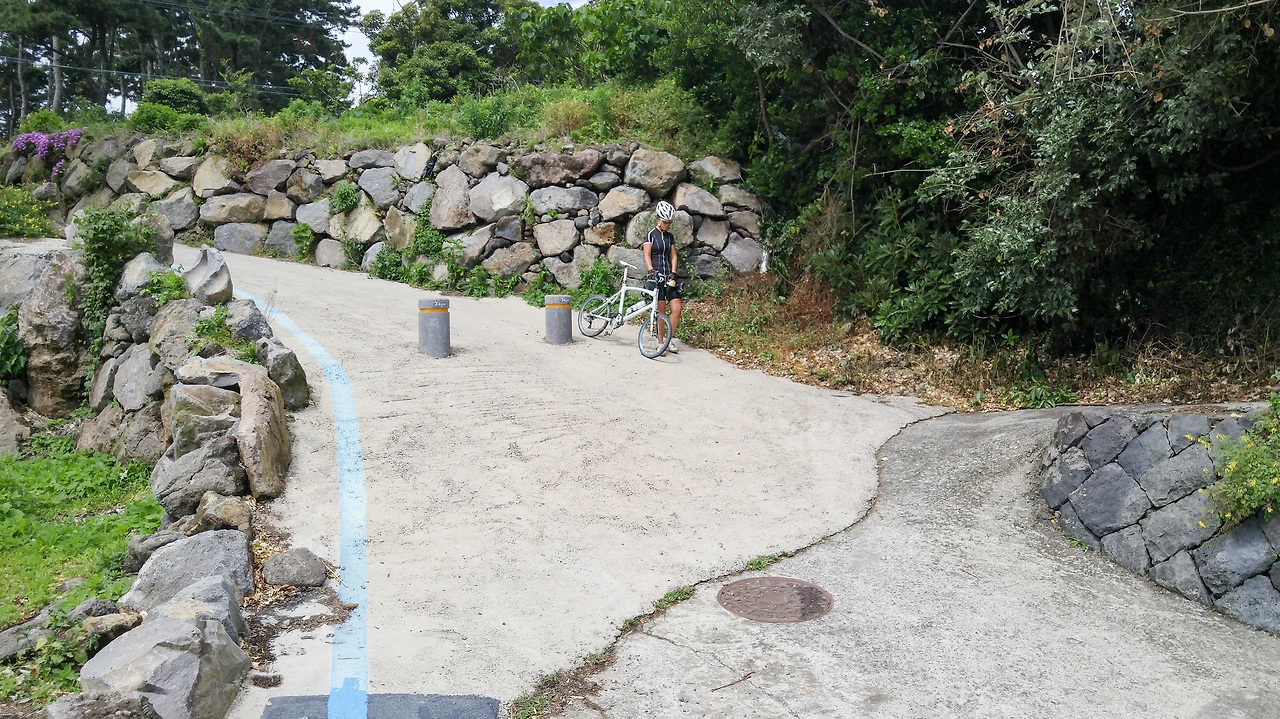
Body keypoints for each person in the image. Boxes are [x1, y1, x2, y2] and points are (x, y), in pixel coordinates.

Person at [644, 201, 683, 353]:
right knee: (661, 311)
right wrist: (651, 270)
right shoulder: (651, 235)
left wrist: (673, 272)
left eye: (669, 223)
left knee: (677, 308)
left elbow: (674, 256)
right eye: (665, 222)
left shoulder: (669, 237)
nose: (667, 225)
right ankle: (660, 342)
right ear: (658, 219)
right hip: (656, 277)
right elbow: (647, 255)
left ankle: (668, 339)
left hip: (668, 277)